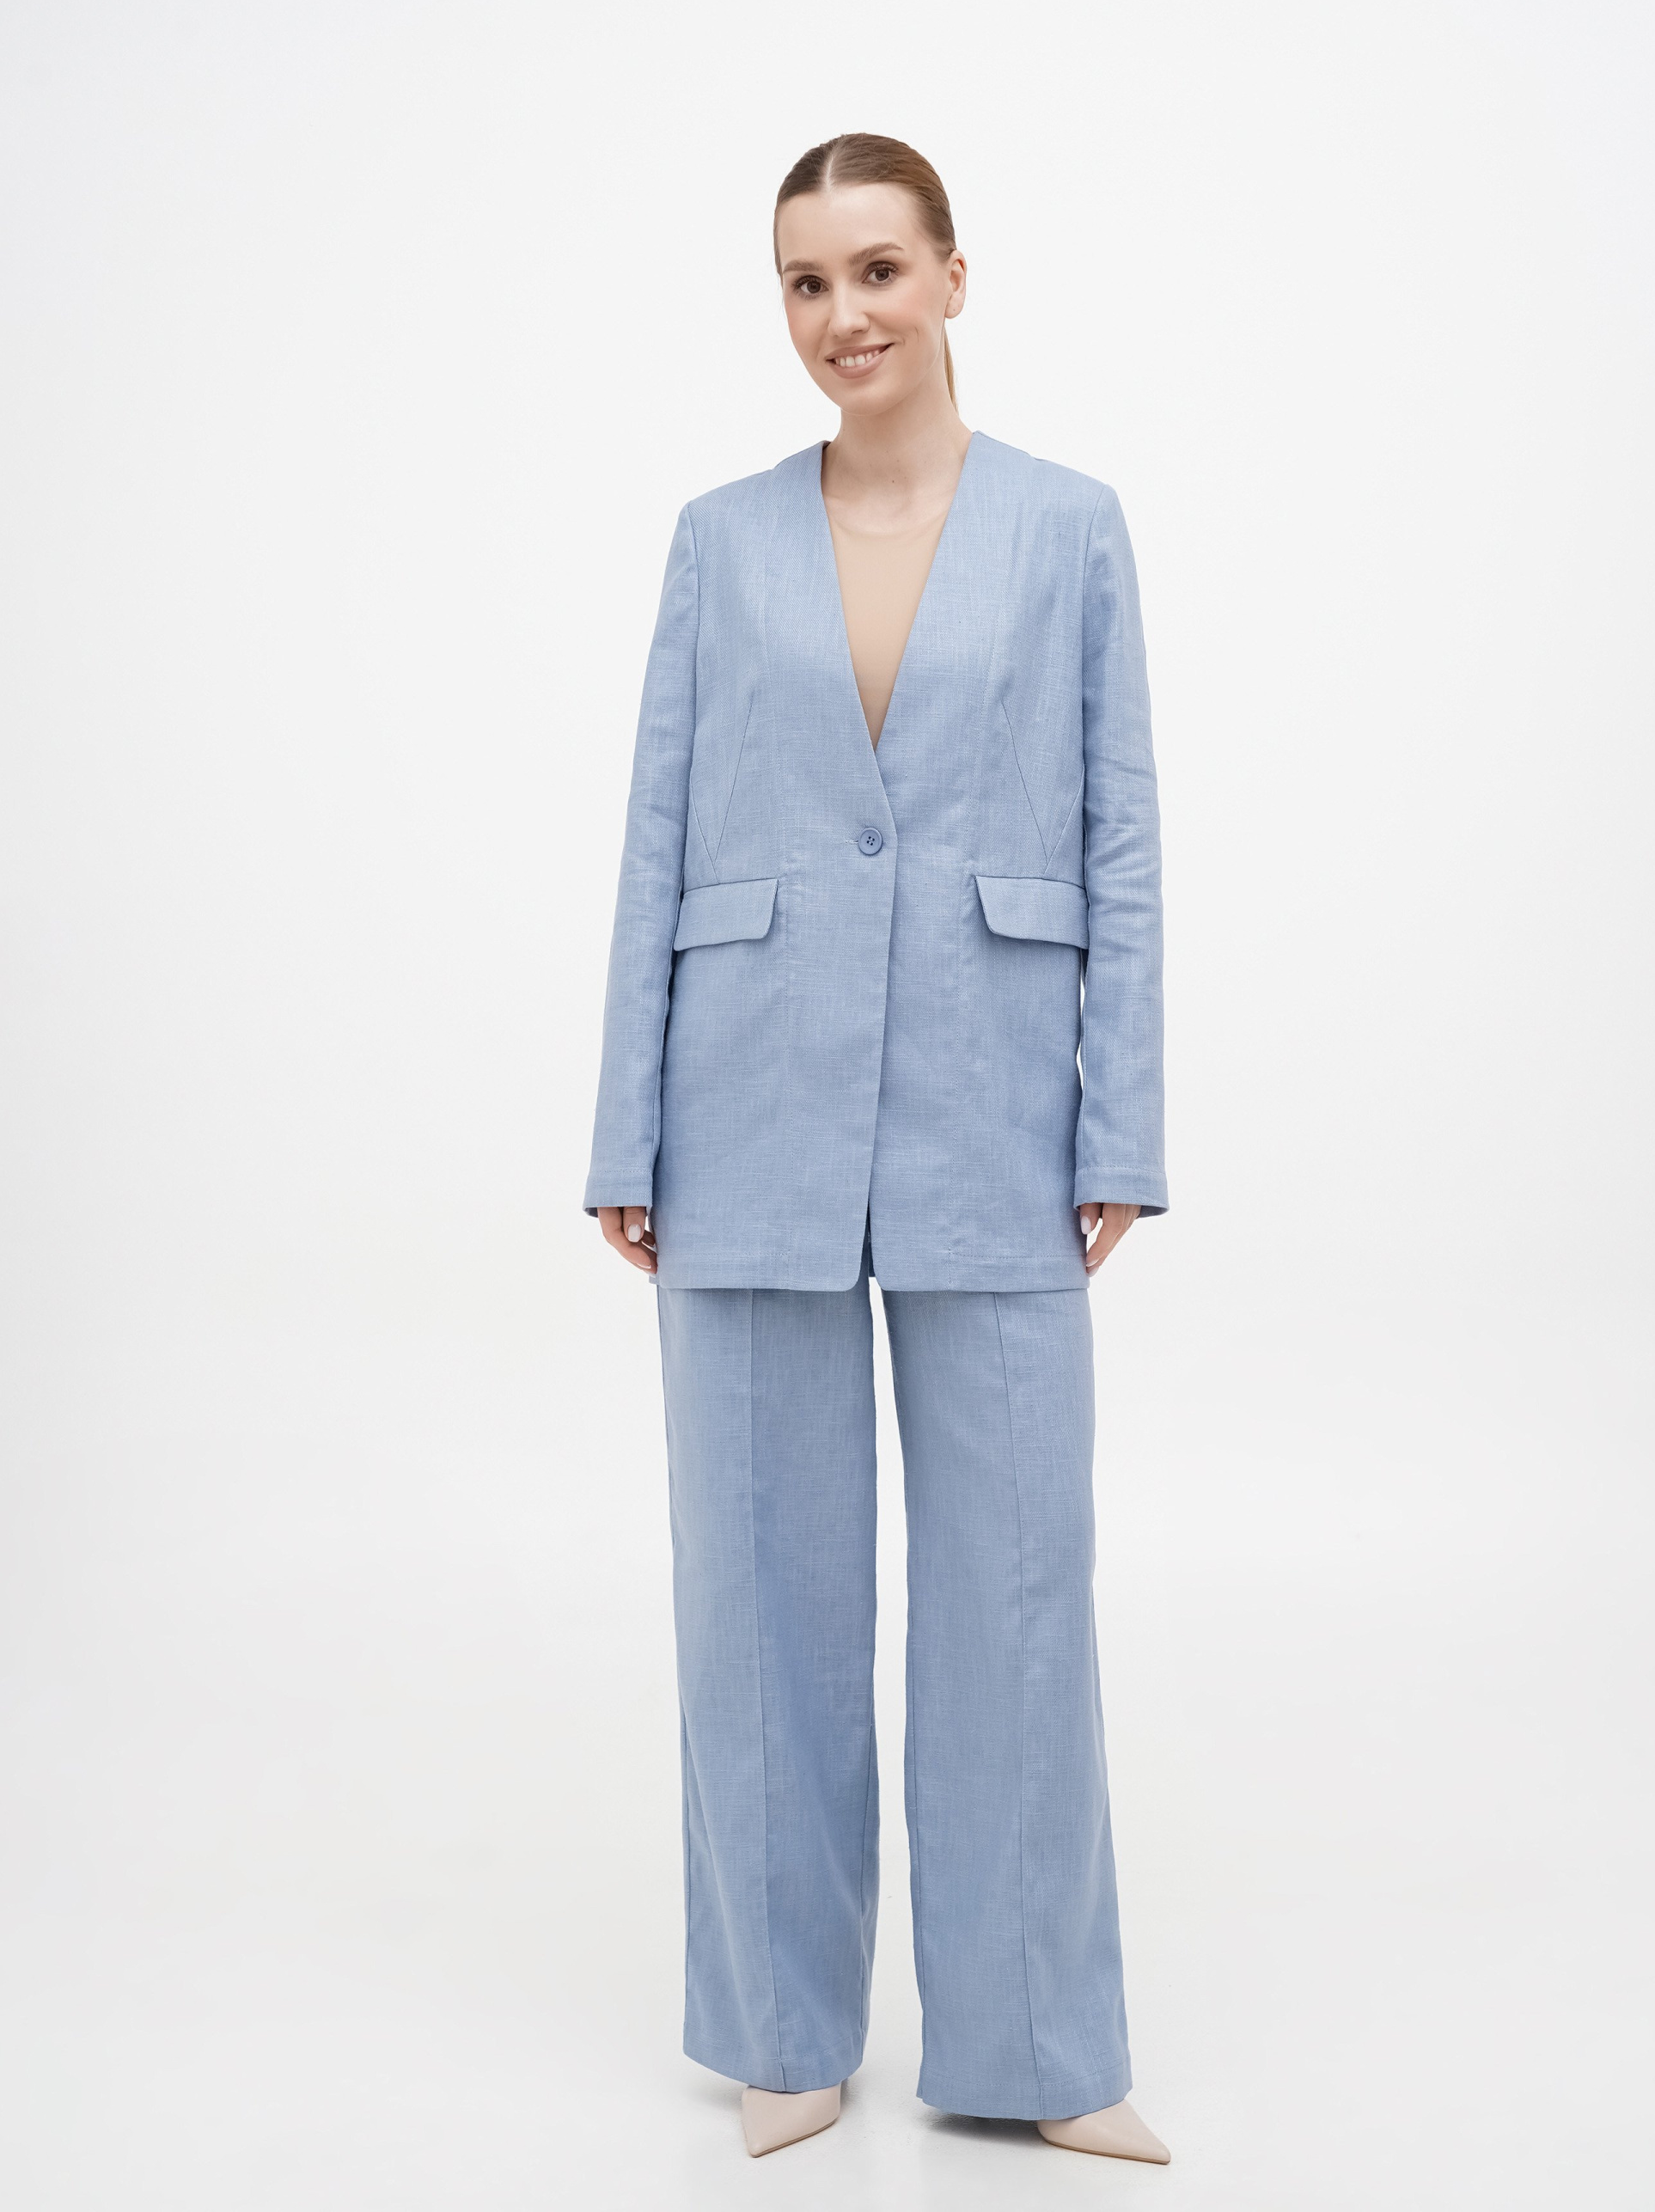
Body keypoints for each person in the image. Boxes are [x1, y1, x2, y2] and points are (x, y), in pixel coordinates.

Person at [584, 132, 1169, 2165]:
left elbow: (1118, 838)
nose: (842, 315)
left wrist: (1120, 1117)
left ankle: (1034, 2049)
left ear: (950, 277)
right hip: (739, 1098)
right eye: (804, 282)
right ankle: (779, 2028)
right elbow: (655, 835)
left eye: (875, 270)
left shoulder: (1069, 529)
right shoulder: (715, 539)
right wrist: (625, 1122)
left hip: (995, 1108)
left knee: (1016, 1594)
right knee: (755, 1587)